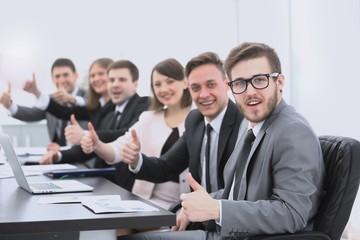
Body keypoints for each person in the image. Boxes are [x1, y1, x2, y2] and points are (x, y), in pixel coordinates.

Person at [119, 42, 325, 240]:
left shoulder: (292, 131)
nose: (250, 91)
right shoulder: (258, 127)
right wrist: (191, 206)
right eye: (240, 83)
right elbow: (236, 191)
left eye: (260, 80)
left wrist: (216, 209)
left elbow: (293, 213)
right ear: (232, 86)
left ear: (279, 82)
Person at [120, 52, 244, 215]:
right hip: (196, 216)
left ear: (227, 84)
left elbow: (240, 190)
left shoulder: (244, 123)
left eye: (211, 85)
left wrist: (187, 209)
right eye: (196, 88)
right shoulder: (195, 120)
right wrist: (137, 160)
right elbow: (166, 167)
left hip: (228, 218)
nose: (203, 94)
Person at [39, 60, 149, 191]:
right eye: (112, 80)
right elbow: (92, 148)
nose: (115, 85)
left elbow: (126, 134)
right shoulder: (109, 113)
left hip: (125, 187)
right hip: (105, 183)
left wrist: (86, 134)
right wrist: (59, 155)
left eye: (122, 80)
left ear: (135, 84)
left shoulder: (143, 104)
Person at [28, 58, 115, 147]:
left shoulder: (115, 105)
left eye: (101, 74)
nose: (96, 79)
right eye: (92, 75)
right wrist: (37, 93)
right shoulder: (99, 106)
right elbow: (64, 112)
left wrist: (85, 134)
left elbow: (116, 135)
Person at [0, 58, 87, 147]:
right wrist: (9, 105)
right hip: (58, 156)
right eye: (57, 76)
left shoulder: (89, 97)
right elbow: (31, 114)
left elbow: (89, 106)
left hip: (85, 157)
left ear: (75, 75)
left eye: (66, 75)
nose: (62, 80)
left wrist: (71, 99)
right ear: (52, 79)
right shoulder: (50, 101)